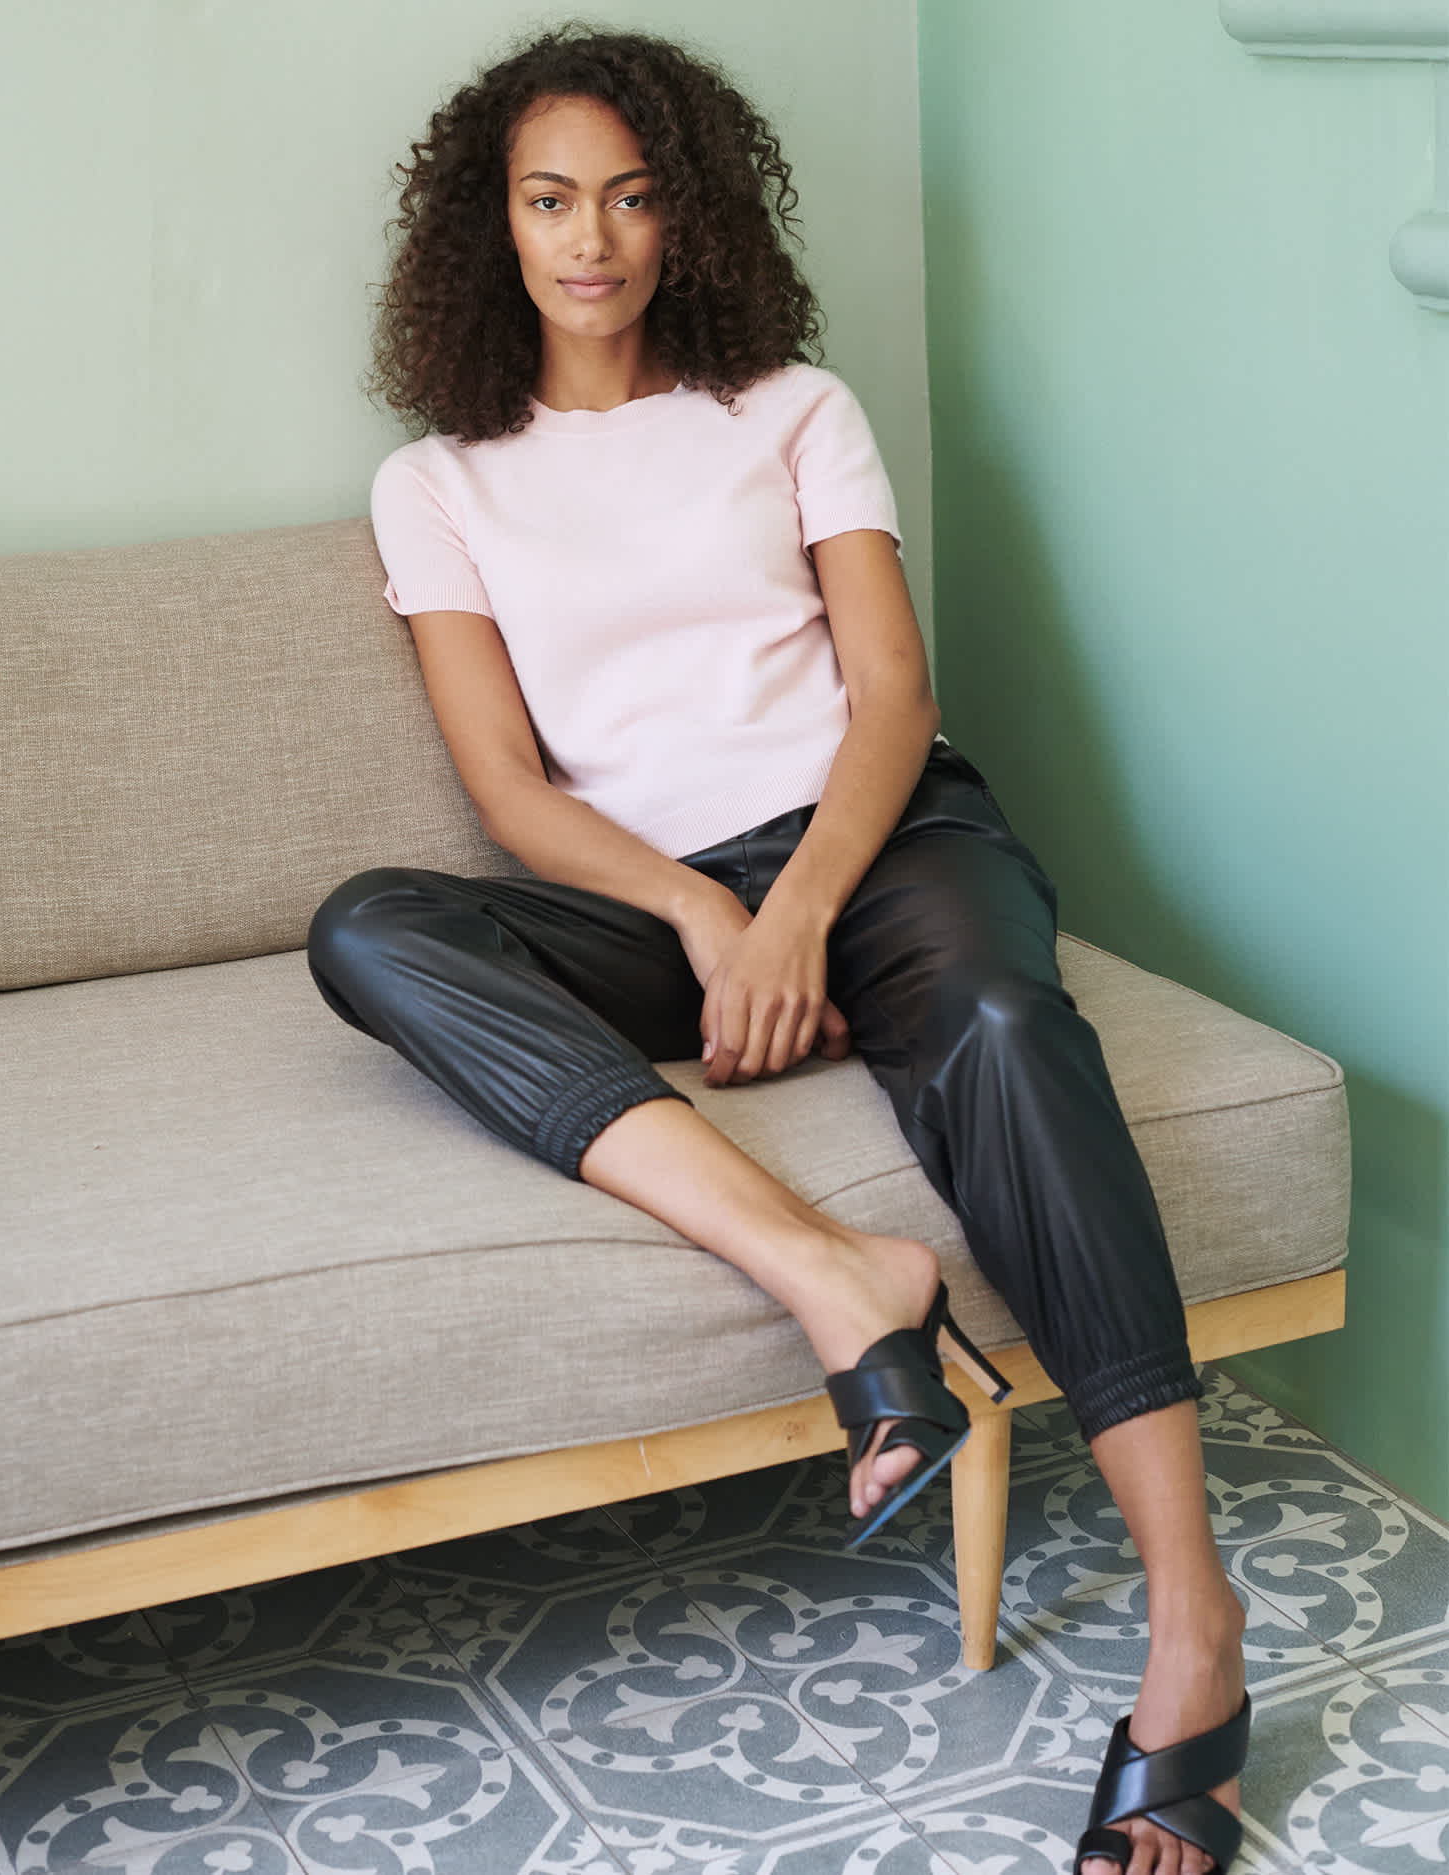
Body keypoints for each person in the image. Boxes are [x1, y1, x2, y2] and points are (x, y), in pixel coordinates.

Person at [307, 25, 1249, 1874]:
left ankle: (1193, 1616)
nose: (596, 240)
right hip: (657, 902)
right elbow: (508, 788)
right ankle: (844, 1284)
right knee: (371, 931)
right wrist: (702, 915)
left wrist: (801, 904)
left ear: (692, 216)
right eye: (552, 199)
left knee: (995, 1016)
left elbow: (892, 694)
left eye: (635, 197)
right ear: (487, 225)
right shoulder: (438, 482)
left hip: (880, 851)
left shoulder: (796, 408)